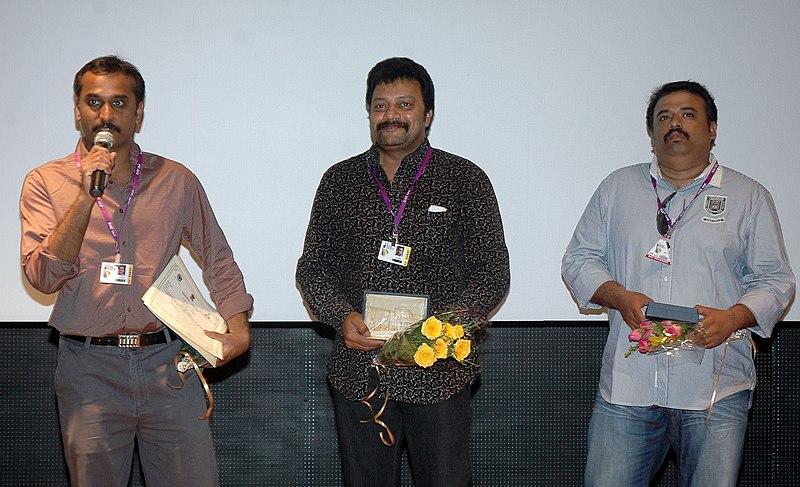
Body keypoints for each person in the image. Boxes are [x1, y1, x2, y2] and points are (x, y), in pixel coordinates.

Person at [20, 55, 253, 486]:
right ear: (77, 110)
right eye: (93, 102)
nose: (105, 114)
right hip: (89, 370)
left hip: (169, 364)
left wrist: (238, 326)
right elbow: (42, 277)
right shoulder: (44, 182)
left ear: (138, 113)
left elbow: (217, 257)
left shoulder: (176, 180)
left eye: (119, 103)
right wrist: (86, 195)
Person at [561, 81, 795, 486]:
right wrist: (618, 296)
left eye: (688, 114)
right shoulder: (617, 188)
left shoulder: (749, 196)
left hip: (714, 388)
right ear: (651, 134)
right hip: (629, 387)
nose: (675, 124)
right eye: (663, 117)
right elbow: (579, 260)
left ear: (712, 129)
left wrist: (734, 318)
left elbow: (776, 280)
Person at [296, 57, 510, 486]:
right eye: (380, 105)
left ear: (427, 114)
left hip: (439, 372)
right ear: (369, 113)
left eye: (404, 104)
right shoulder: (339, 181)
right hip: (360, 370)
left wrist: (442, 329)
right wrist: (341, 317)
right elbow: (312, 267)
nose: (391, 115)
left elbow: (493, 272)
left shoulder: (465, 179)